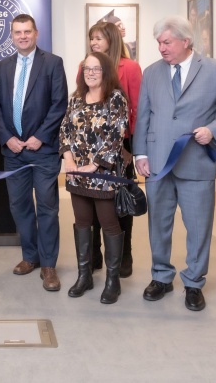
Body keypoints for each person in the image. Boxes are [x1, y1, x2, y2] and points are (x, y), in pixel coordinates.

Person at [133, 15, 216, 311]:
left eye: (167, 42)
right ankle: (161, 276)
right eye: (158, 42)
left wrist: (214, 131)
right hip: (157, 163)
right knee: (159, 224)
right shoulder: (152, 72)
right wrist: (140, 154)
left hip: (196, 160)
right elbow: (144, 115)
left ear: (186, 41)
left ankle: (194, 282)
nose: (161, 48)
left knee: (197, 226)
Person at [0, 14, 68, 291]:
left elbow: (59, 105)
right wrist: (7, 137)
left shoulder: (52, 63)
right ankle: (30, 256)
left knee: (47, 207)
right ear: (11, 36)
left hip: (43, 150)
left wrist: (40, 137)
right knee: (20, 206)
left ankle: (48, 265)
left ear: (36, 33)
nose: (23, 36)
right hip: (13, 151)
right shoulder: (1, 67)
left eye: (27, 31)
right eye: (17, 32)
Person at [61, 52, 128, 303]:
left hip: (104, 174)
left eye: (96, 69)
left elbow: (116, 135)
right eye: (86, 68)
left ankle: (113, 281)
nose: (90, 73)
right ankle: (84, 276)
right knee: (82, 223)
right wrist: (68, 159)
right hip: (77, 174)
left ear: (106, 71)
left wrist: (95, 165)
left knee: (109, 224)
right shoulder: (76, 98)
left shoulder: (116, 99)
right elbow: (64, 131)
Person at [87, 20, 143, 277]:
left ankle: (123, 256)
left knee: (120, 201)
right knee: (93, 200)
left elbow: (138, 109)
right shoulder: (85, 65)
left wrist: (131, 147)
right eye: (91, 38)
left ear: (111, 39)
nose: (94, 43)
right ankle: (95, 253)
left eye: (99, 38)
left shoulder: (129, 67)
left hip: (122, 146)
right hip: (90, 145)